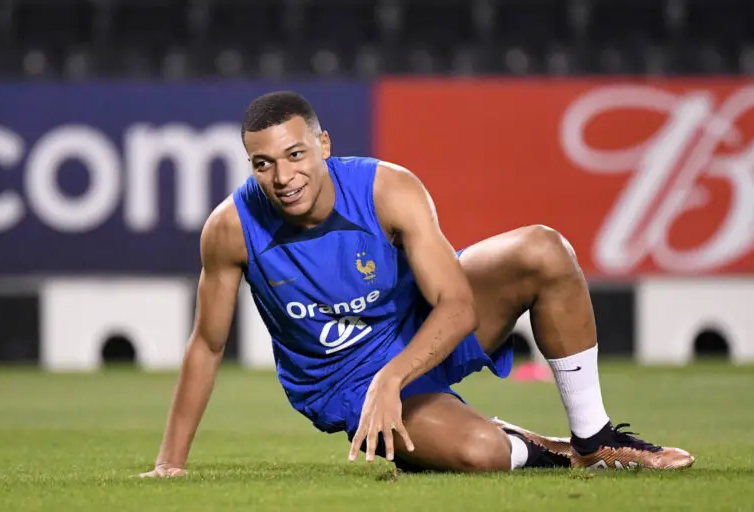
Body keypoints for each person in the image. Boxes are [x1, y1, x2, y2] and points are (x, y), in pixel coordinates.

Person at [139, 91, 695, 477]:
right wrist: (170, 463)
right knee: (480, 454)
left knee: (544, 249)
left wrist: (393, 375)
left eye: (295, 154)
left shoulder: (388, 190)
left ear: (324, 145)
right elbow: (207, 345)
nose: (283, 178)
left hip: (420, 328)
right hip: (344, 384)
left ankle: (595, 439)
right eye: (263, 164)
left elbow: (456, 305)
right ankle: (533, 447)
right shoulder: (230, 229)